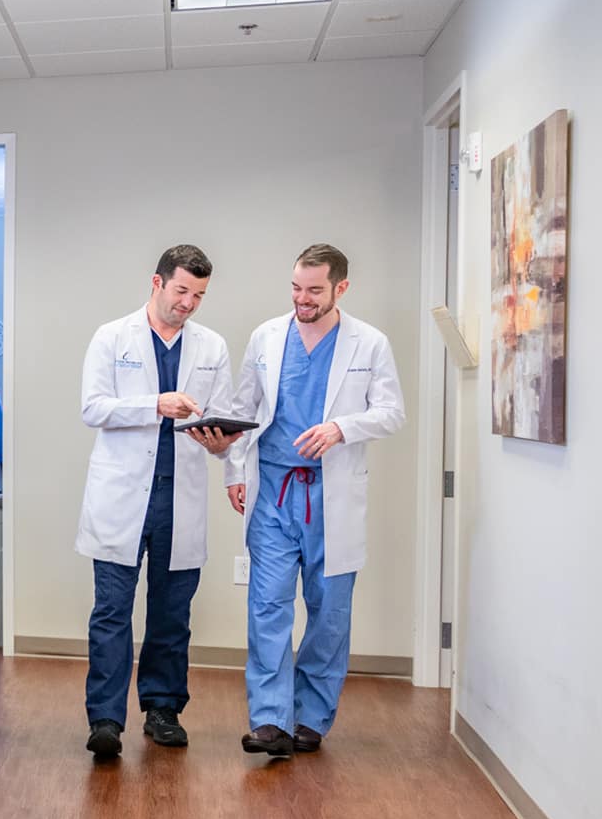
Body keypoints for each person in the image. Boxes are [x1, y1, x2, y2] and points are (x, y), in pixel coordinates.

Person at [225, 244, 404, 758]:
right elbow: (244, 410)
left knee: (329, 613)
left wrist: (341, 428)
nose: (302, 299)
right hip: (274, 496)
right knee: (267, 607)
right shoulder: (266, 336)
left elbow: (391, 413)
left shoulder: (369, 344)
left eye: (315, 291)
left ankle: (311, 717)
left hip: (333, 495)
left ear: (340, 289)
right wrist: (234, 472)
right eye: (296, 288)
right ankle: (269, 721)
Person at [74, 246, 241, 757]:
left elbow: (227, 417)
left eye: (199, 295)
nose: (189, 303)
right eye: (182, 291)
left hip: (181, 496)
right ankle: (105, 719)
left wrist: (222, 449)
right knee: (112, 613)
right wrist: (155, 405)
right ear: (157, 282)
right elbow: (93, 407)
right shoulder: (112, 336)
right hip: (123, 497)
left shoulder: (211, 346)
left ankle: (163, 709)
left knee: (172, 613)